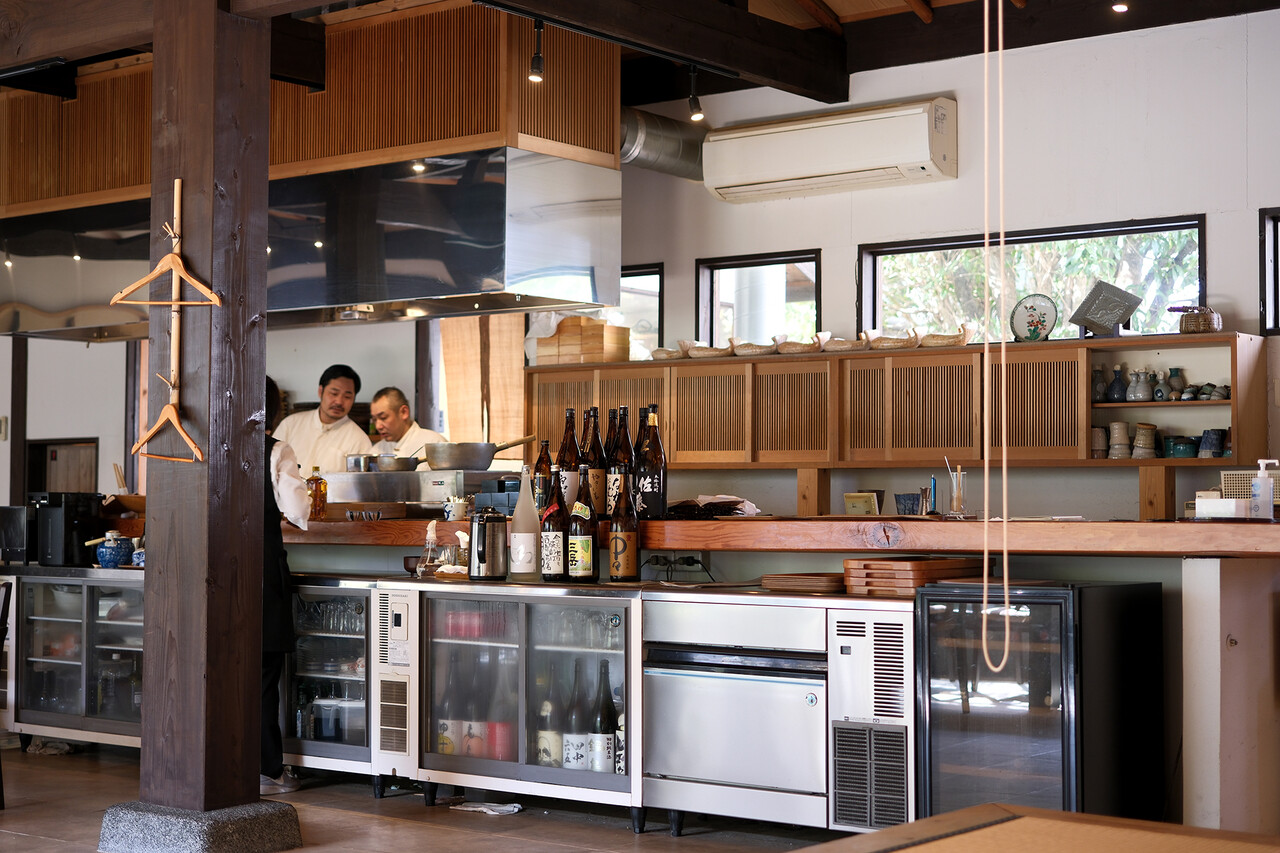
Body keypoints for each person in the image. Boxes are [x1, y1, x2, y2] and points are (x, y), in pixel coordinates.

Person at [261, 376, 309, 796]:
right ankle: (267, 770)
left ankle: (222, 765)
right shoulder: (275, 450)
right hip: (259, 573)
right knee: (261, 677)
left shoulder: (206, 448)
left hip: (213, 576)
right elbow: (297, 510)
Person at [272, 364, 372, 473]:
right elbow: (270, 463)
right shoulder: (290, 424)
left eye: (347, 397)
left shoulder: (359, 440)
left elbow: (359, 482)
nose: (339, 401)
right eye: (334, 393)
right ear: (321, 391)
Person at [369, 386, 447, 461]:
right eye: (374, 419)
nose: (378, 426)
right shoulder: (376, 451)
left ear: (404, 412)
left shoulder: (434, 443)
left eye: (383, 417)